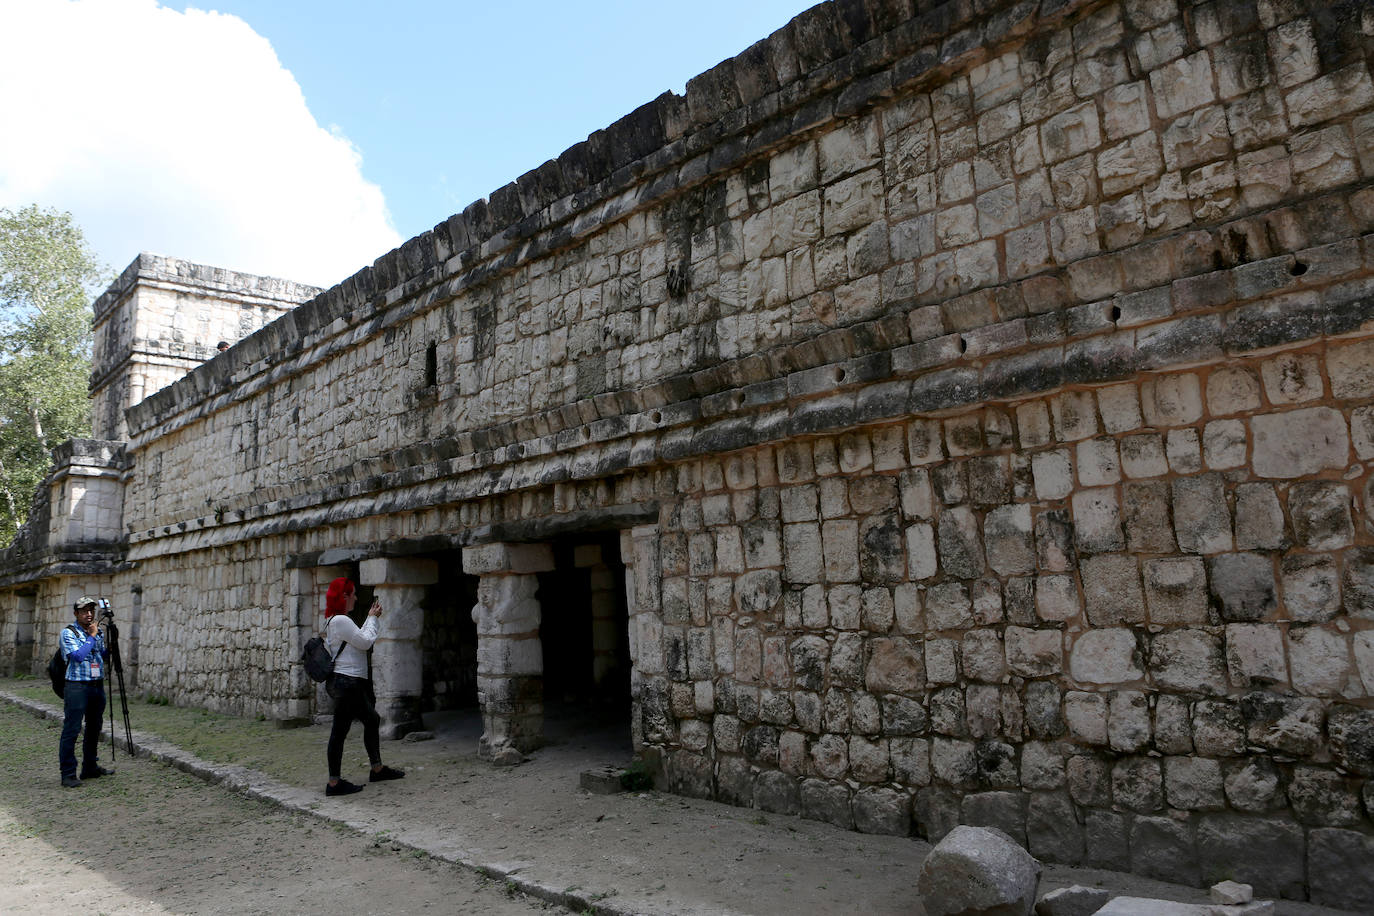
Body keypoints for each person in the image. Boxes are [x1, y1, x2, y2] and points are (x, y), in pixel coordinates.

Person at [323, 577, 404, 796]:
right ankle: (334, 783)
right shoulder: (340, 620)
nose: (357, 598)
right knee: (340, 730)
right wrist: (373, 619)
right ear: (345, 596)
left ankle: (376, 769)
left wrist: (370, 618)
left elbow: (360, 638)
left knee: (370, 719)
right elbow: (366, 642)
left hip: (348, 682)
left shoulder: (337, 620)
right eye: (353, 593)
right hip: (347, 682)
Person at [58, 597, 113, 788]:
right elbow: (78, 657)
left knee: (94, 727)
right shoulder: (68, 633)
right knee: (72, 729)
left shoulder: (96, 633)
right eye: (84, 611)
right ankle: (68, 774)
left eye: (91, 610)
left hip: (96, 685)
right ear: (76, 614)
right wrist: (92, 636)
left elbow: (99, 654)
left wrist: (110, 646)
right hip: (77, 686)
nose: (88, 614)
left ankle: (90, 767)